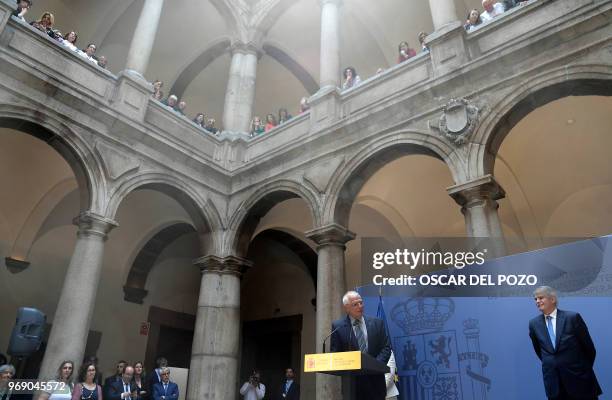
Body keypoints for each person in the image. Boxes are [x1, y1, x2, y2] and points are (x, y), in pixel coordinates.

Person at [528, 286, 602, 400]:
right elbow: (540, 352)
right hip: (554, 385)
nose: (537, 301)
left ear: (552, 299)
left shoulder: (572, 318)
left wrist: (581, 369)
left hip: (580, 382)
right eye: (535, 299)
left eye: (541, 298)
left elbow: (589, 349)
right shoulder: (534, 324)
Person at [331, 291, 391, 400]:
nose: (360, 306)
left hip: (376, 383)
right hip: (352, 385)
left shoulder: (377, 323)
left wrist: (375, 366)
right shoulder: (338, 327)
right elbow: (335, 354)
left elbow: (386, 347)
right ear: (347, 308)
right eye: (355, 304)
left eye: (361, 303)